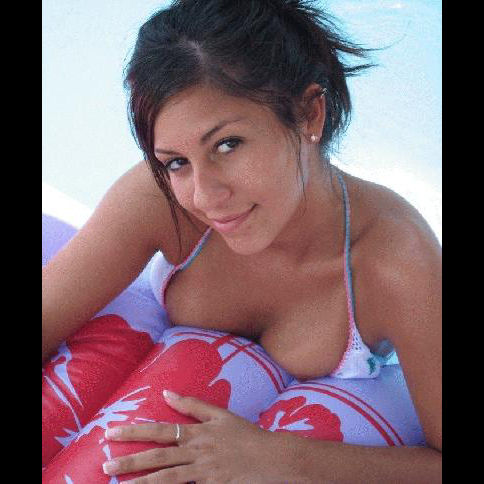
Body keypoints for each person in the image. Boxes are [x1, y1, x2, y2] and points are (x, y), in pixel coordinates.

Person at [42, 0, 442, 481]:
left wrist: (282, 458)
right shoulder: (161, 201)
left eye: (227, 145)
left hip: (332, 417)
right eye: (176, 162)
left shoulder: (395, 263)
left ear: (310, 114)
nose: (205, 196)